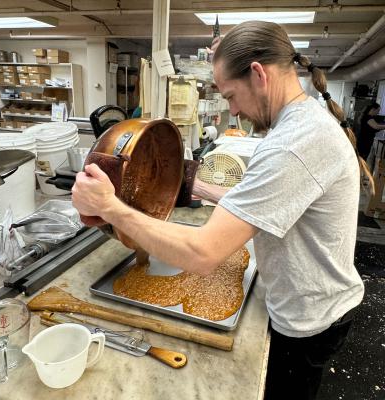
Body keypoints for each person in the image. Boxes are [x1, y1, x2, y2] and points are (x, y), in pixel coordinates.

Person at [72, 21, 374, 400]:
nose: (233, 110)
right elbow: (266, 198)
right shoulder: (303, 123)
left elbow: (203, 254)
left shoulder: (293, 143)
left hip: (308, 319)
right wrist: (193, 185)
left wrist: (109, 206)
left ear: (258, 74)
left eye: (230, 95)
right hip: (311, 301)